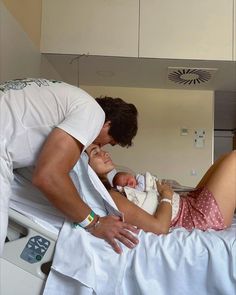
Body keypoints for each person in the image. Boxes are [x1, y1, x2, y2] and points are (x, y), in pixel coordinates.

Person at [0, 78, 139, 256]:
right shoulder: (93, 114)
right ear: (107, 124)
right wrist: (95, 222)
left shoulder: (67, 97)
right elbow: (49, 176)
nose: (101, 147)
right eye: (109, 142)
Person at [86, 144, 236, 235]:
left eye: (101, 149)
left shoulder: (116, 188)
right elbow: (160, 227)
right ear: (84, 167)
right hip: (197, 218)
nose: (105, 153)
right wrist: (166, 194)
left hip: (188, 204)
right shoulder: (112, 197)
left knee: (225, 157)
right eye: (95, 153)